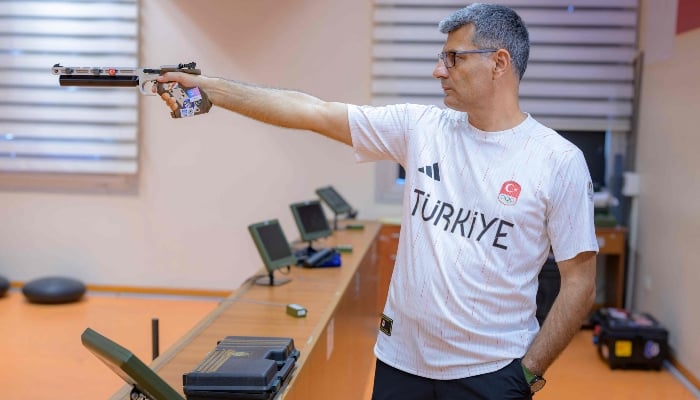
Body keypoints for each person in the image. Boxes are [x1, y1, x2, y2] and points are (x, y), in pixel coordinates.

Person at [157, 3, 598, 399]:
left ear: (499, 62)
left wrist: (528, 376)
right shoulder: (422, 128)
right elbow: (311, 110)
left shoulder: (557, 161)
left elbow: (579, 283)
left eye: (453, 57)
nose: (438, 70)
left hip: (491, 373)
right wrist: (209, 87)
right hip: (400, 362)